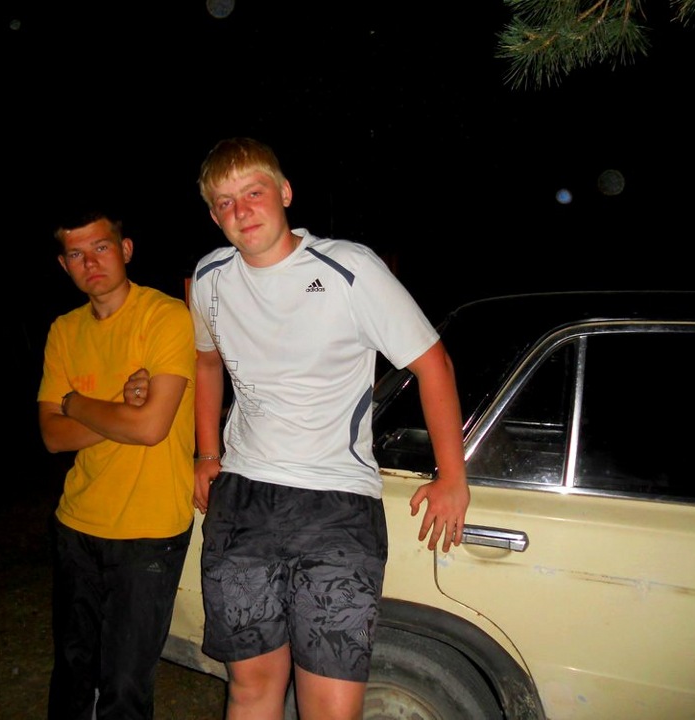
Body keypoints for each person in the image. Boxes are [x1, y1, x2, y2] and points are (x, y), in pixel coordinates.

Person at [188, 136, 469, 720]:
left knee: (330, 707)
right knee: (250, 688)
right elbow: (207, 361)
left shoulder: (349, 268)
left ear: (285, 192)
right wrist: (207, 454)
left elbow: (432, 363)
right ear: (214, 216)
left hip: (336, 505)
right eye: (224, 202)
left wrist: (452, 476)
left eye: (253, 193)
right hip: (243, 501)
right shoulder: (210, 277)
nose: (241, 211)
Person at [36, 205, 196, 720]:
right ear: (64, 265)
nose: (91, 262)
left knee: (125, 684)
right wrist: (118, 409)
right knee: (72, 670)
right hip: (76, 524)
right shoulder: (64, 330)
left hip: (150, 529)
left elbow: (150, 429)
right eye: (76, 254)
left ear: (125, 250)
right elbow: (52, 437)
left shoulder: (165, 316)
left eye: (101, 247)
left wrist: (74, 403)